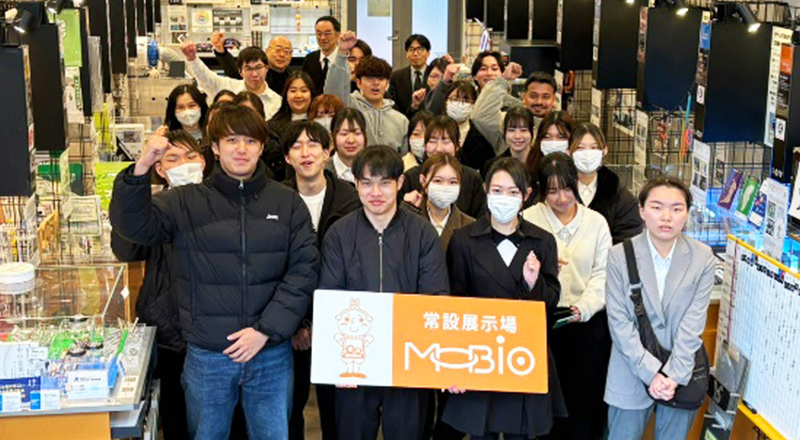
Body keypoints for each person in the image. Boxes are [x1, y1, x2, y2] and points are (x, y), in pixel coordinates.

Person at [109, 105, 319, 440]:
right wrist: (142, 166)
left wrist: (265, 330)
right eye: (232, 140)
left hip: (270, 354)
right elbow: (133, 227)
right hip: (208, 355)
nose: (241, 149)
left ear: (261, 148)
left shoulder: (287, 202)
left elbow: (304, 270)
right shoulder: (184, 202)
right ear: (216, 148)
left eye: (250, 141)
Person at [319, 145, 450, 440]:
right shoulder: (339, 234)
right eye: (367, 183)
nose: (375, 192)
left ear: (400, 183)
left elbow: (436, 298)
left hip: (408, 361)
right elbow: (329, 298)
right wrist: (336, 363)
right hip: (354, 362)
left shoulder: (422, 233)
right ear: (355, 184)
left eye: (385, 183)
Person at [443, 158, 566, 440]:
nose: (503, 198)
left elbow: (551, 302)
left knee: (521, 433)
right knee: (482, 432)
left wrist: (532, 284)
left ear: (526, 195)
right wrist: (454, 363)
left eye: (512, 192)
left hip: (522, 356)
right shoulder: (463, 240)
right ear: (485, 190)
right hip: (479, 356)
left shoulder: (542, 241)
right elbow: (454, 304)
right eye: (497, 191)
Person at [111, 130, 207, 440]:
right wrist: (137, 197)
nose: (184, 164)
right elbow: (126, 251)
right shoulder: (154, 209)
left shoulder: (220, 204)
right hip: (169, 330)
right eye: (173, 159)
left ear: (203, 161)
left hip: (215, 333)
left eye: (190, 156)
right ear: (160, 169)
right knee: (175, 415)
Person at [604, 176, 716, 440]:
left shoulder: (702, 257)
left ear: (687, 213)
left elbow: (693, 324)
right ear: (642, 211)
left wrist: (672, 375)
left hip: (681, 372)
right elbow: (619, 324)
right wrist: (652, 373)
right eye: (657, 207)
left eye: (676, 209)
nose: (666, 217)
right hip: (630, 369)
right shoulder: (619, 256)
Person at [522, 152, 612, 440]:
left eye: (567, 188)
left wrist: (584, 307)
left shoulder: (596, 222)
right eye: (552, 191)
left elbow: (603, 273)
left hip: (586, 324)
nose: (561, 198)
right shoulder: (528, 219)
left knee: (583, 402)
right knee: (544, 403)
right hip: (542, 323)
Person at [282, 121, 361, 440]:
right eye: (296, 146)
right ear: (287, 157)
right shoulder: (275, 199)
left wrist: (322, 325)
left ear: (327, 152)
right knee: (289, 409)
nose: (306, 153)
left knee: (337, 413)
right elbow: (270, 268)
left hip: (338, 326)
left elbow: (354, 269)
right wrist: (297, 324)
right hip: (288, 326)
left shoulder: (349, 198)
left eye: (313, 144)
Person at [324, 31, 409, 153]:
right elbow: (333, 92)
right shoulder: (349, 105)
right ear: (358, 83)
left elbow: (404, 157)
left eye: (381, 79)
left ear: (387, 83)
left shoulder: (401, 120)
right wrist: (342, 52)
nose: (376, 83)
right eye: (369, 79)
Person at [568, 123, 642, 244]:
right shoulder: (558, 191)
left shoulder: (621, 197)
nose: (587, 154)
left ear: (604, 150)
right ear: (568, 152)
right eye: (580, 148)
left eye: (594, 148)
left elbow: (628, 238)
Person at [400, 115, 486, 218]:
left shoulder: (472, 179)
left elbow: (481, 218)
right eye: (433, 141)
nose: (439, 148)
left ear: (457, 145)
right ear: (425, 146)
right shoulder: (410, 177)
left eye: (446, 141)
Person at [182, 41, 282, 119]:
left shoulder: (277, 102)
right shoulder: (228, 87)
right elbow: (206, 79)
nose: (254, 74)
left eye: (258, 67)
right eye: (248, 68)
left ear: (266, 68)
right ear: (240, 72)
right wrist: (192, 58)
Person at [405, 153, 474, 250]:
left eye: (453, 182)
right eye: (438, 181)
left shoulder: (469, 226)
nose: (445, 187)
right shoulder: (408, 220)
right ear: (423, 180)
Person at [211, 33, 293, 94]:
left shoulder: (292, 77)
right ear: (267, 51)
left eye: (286, 51)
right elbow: (234, 72)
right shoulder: (257, 72)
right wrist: (221, 51)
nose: (282, 55)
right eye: (278, 50)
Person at [480, 106, 536, 183]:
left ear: (533, 131)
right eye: (511, 130)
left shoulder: (542, 163)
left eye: (523, 130)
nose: (517, 136)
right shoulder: (492, 166)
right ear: (504, 131)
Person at [525, 110, 575, 194]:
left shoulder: (578, 173)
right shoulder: (530, 173)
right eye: (547, 137)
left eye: (561, 137)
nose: (554, 143)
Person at [389, 34, 431, 115]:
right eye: (411, 50)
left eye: (420, 49)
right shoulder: (396, 77)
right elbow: (392, 104)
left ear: (428, 53)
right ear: (407, 54)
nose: (415, 54)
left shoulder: (434, 74)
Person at [324, 108, 368, 184]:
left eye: (357, 133)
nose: (351, 140)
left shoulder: (377, 168)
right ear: (332, 136)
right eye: (344, 134)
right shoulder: (323, 171)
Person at [303, 16, 342, 95]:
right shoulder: (310, 59)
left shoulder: (345, 60)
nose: (323, 38)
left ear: (337, 35)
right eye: (319, 34)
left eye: (327, 34)